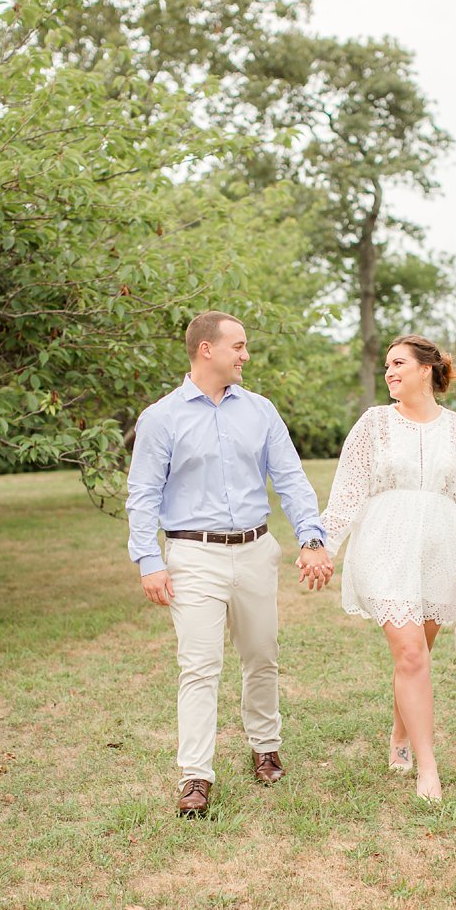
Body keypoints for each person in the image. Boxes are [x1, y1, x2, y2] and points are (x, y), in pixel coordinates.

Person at [127, 311, 335, 818]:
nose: (245, 355)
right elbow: (142, 494)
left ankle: (265, 745)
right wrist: (148, 560)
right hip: (193, 555)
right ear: (206, 349)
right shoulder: (161, 418)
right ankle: (195, 776)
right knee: (199, 666)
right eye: (237, 346)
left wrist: (311, 536)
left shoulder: (261, 411)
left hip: (256, 551)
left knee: (262, 654)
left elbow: (290, 478)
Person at [319, 334, 456, 803]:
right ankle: (428, 767)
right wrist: (323, 545)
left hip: (441, 554)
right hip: (384, 547)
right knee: (412, 655)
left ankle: (399, 736)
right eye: (385, 367)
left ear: (426, 370)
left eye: (398, 363)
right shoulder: (374, 424)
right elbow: (348, 490)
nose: (389, 372)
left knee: (417, 654)